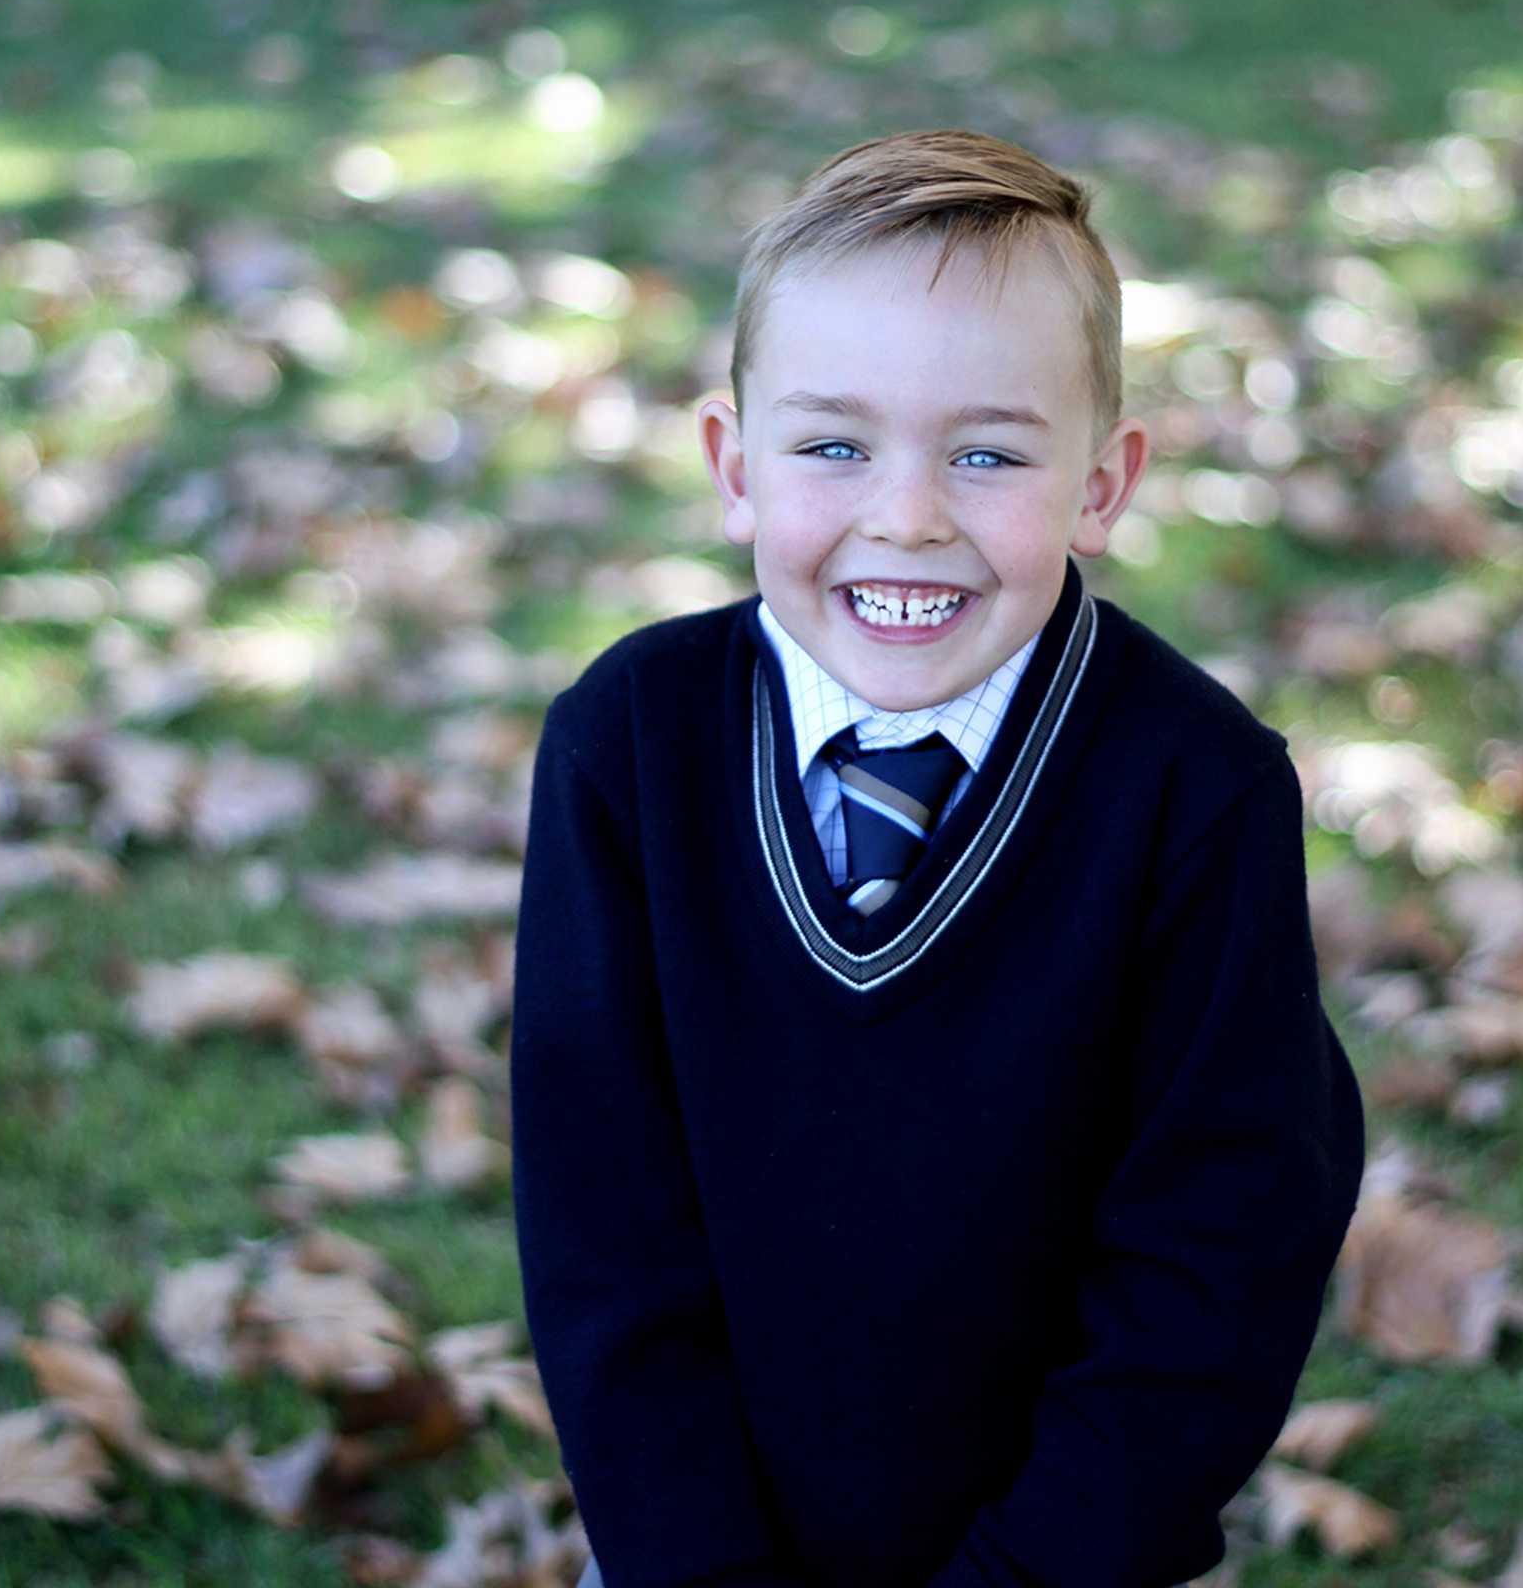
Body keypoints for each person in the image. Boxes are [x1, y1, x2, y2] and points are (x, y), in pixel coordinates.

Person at [510, 128, 1366, 1588]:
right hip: (700, 1546)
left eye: (986, 453)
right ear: (732, 464)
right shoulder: (628, 746)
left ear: (1103, 483)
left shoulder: (1195, 789)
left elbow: (1219, 1259)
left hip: (1070, 1553)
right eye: (834, 445)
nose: (906, 515)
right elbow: (603, 1229)